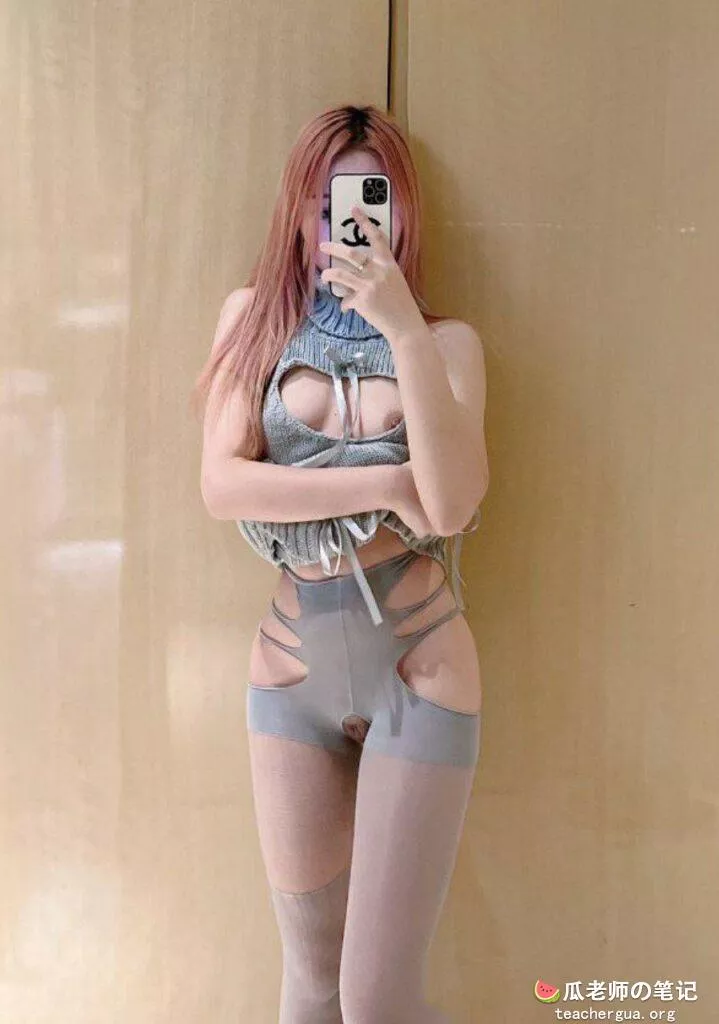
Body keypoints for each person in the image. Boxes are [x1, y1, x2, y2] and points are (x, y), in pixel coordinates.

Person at [194, 104, 489, 1023]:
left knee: (375, 997)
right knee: (310, 982)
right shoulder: (254, 322)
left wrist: (403, 332)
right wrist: (390, 481)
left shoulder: (446, 343)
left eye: (373, 199)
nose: (349, 223)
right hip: (291, 672)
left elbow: (452, 507)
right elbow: (223, 486)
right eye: (329, 205)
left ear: (403, 210)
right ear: (298, 212)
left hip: (420, 666)